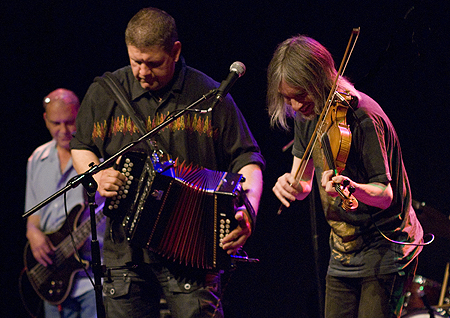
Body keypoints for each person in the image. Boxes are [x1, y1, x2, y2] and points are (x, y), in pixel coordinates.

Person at [70, 7, 265, 318]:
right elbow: (80, 147)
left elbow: (248, 159)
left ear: (175, 51)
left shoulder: (209, 96)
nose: (143, 72)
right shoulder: (106, 93)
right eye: (136, 62)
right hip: (125, 252)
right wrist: (97, 175)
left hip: (193, 254)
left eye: (154, 63)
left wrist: (249, 209)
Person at [268, 35, 423, 318]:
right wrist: (290, 185)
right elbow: (302, 182)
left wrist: (354, 189)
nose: (296, 105)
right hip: (343, 250)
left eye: (301, 95)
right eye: (287, 98)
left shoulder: (363, 117)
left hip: (386, 246)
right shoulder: (308, 115)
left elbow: (385, 195)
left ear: (319, 80)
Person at [25, 88, 105, 317]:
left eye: (69, 122)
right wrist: (33, 233)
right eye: (55, 123)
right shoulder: (36, 159)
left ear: (80, 115)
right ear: (45, 120)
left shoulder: (96, 158)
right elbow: (33, 217)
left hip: (92, 277)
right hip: (52, 274)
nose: (63, 131)